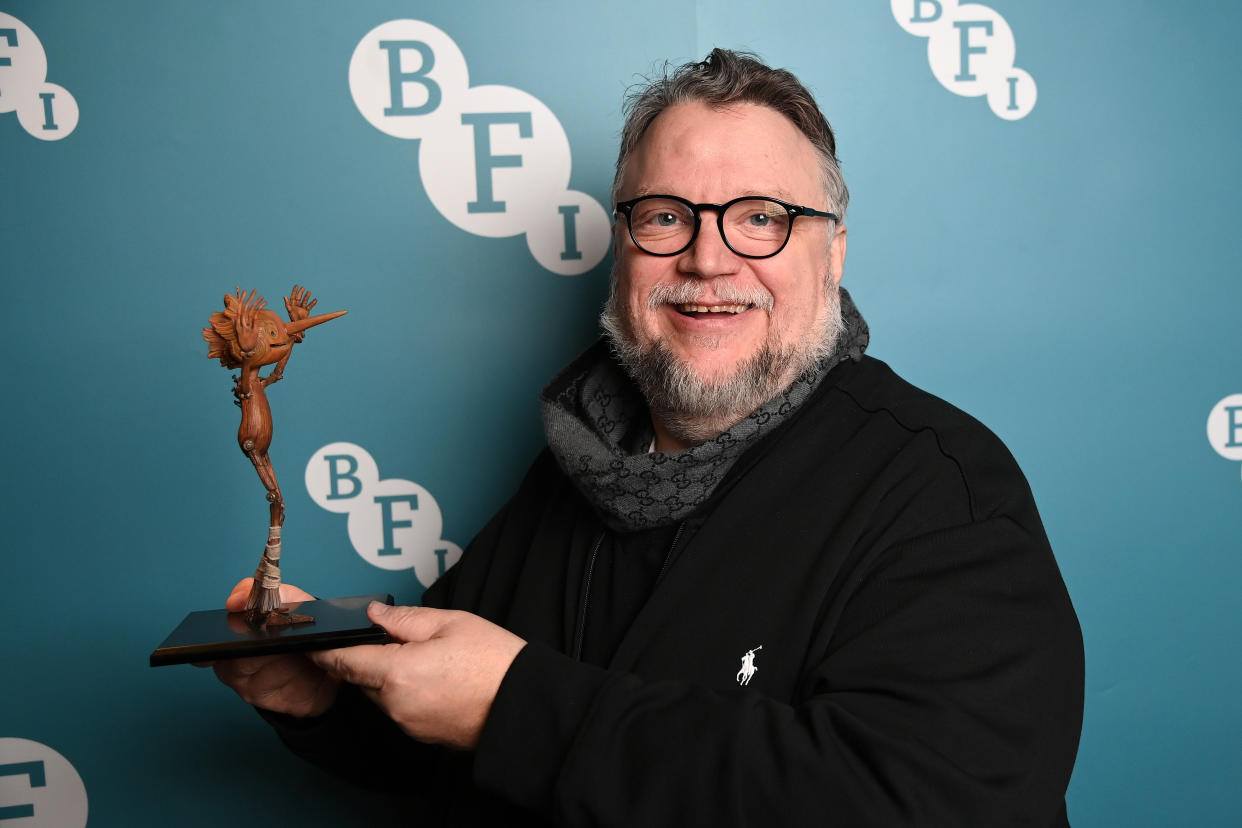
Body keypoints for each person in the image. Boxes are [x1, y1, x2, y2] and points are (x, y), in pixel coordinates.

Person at [210, 49, 1084, 826]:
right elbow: (450, 730)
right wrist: (316, 703)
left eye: (762, 217)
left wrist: (520, 709)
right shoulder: (572, 470)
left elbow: (932, 800)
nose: (708, 260)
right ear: (623, 246)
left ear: (836, 252)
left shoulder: (942, 491)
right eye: (667, 216)